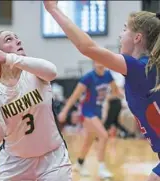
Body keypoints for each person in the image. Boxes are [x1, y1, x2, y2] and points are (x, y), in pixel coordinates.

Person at [43, 1, 160, 180]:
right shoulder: (146, 69)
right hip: (90, 113)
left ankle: (91, 165)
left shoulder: (138, 68)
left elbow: (87, 47)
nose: (120, 36)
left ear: (137, 38)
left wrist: (53, 9)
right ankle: (81, 163)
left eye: (124, 29)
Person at [0, 30, 72, 181]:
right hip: (15, 162)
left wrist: (8, 58)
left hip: (53, 159)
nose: (18, 41)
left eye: (17, 38)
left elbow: (52, 72)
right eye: (9, 40)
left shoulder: (33, 71)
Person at [59, 62, 121, 178]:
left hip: (98, 112)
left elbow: (116, 92)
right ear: (93, 63)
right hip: (87, 112)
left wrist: (112, 97)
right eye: (96, 60)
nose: (99, 62)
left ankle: (79, 164)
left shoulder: (108, 75)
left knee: (89, 141)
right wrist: (64, 111)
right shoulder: (88, 77)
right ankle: (101, 169)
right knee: (103, 135)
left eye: (101, 59)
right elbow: (75, 96)